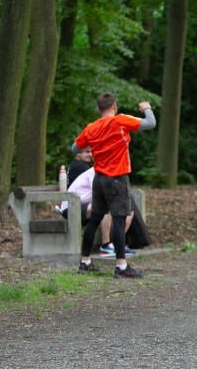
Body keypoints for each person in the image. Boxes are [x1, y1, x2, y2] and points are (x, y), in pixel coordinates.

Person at [72, 92, 155, 278]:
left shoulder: (91, 128)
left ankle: (85, 262)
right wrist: (147, 108)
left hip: (99, 179)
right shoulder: (120, 121)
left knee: (94, 220)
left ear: (98, 109)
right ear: (114, 106)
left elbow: (74, 148)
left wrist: (93, 144)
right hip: (117, 178)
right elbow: (150, 123)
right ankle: (121, 267)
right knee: (118, 220)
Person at [57, 166, 136, 257]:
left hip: (86, 206)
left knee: (128, 210)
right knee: (104, 206)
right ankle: (106, 245)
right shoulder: (95, 172)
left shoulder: (112, 173)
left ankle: (117, 244)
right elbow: (99, 195)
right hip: (71, 207)